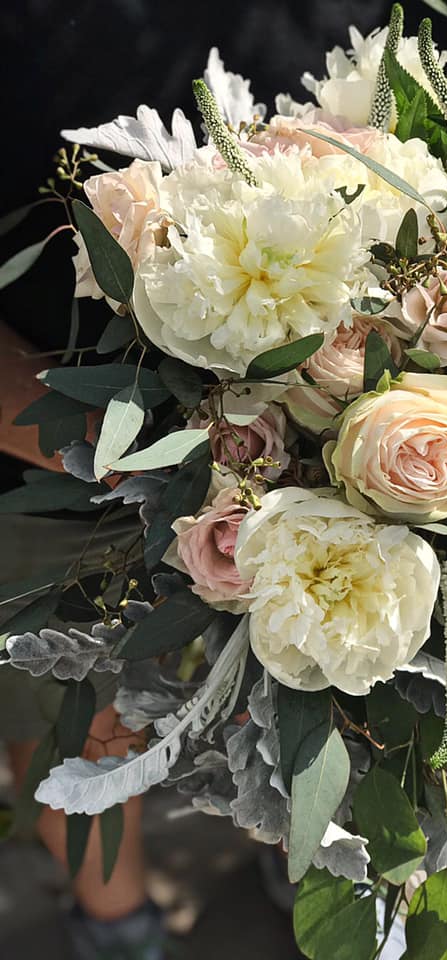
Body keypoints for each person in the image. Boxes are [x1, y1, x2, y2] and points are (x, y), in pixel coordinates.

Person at [0, 319, 168, 960]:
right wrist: (156, 460)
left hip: (268, 450)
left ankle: (319, 871)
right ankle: (120, 929)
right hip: (40, 495)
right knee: (82, 744)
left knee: (298, 680)